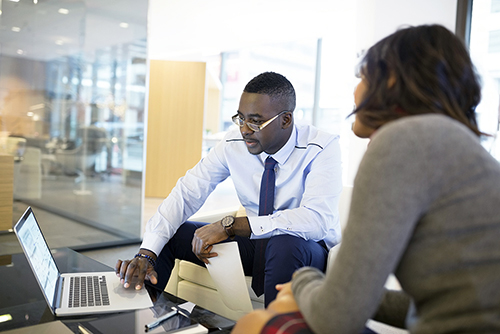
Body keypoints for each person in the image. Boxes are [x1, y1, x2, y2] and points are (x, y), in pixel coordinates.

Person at [232, 24, 500, 334]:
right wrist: (318, 287)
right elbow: (433, 307)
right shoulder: (456, 146)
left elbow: (336, 319)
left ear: (392, 81)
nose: (355, 89)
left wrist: (301, 282)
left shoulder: (403, 142)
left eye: (362, 76)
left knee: (254, 324)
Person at [116, 71, 343, 305]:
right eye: (241, 118)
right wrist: (147, 252)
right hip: (258, 246)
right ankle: (144, 317)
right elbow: (188, 192)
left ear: (286, 120)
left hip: (307, 251)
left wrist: (232, 226)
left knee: (284, 243)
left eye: (256, 121)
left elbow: (317, 220)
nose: (245, 129)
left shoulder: (321, 147)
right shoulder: (234, 144)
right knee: (174, 233)